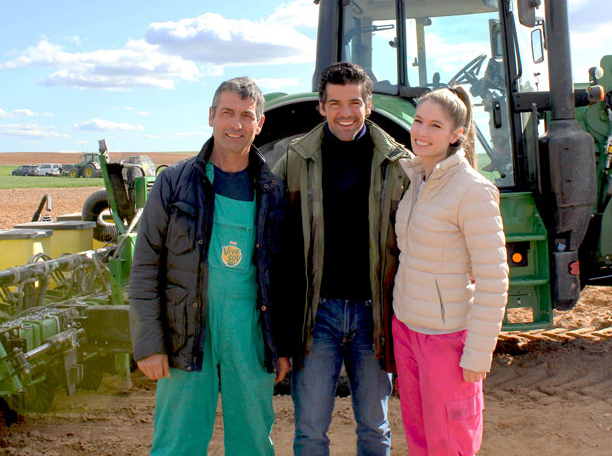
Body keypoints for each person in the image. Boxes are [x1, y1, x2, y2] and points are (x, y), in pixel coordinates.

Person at [129, 77, 292, 455]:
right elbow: (146, 268)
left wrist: (280, 345)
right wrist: (149, 343)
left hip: (247, 331)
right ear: (211, 117)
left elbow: (280, 277)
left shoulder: (272, 190)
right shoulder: (173, 183)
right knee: (177, 439)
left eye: (246, 116)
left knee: (252, 437)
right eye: (227, 113)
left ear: (260, 123)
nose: (236, 124)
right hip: (185, 329)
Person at [273, 61, 409, 455]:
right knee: (311, 431)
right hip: (319, 317)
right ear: (321, 107)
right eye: (335, 103)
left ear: (368, 105)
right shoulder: (296, 160)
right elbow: (273, 235)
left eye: (353, 103)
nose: (345, 113)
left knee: (374, 428)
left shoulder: (396, 163)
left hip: (372, 315)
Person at [391, 86, 509, 455]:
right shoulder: (416, 181)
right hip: (407, 329)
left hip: (446, 339)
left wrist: (478, 354)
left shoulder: (473, 190)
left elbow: (493, 278)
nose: (421, 133)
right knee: (420, 435)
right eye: (418, 122)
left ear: (457, 134)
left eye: (435, 126)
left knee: (450, 443)